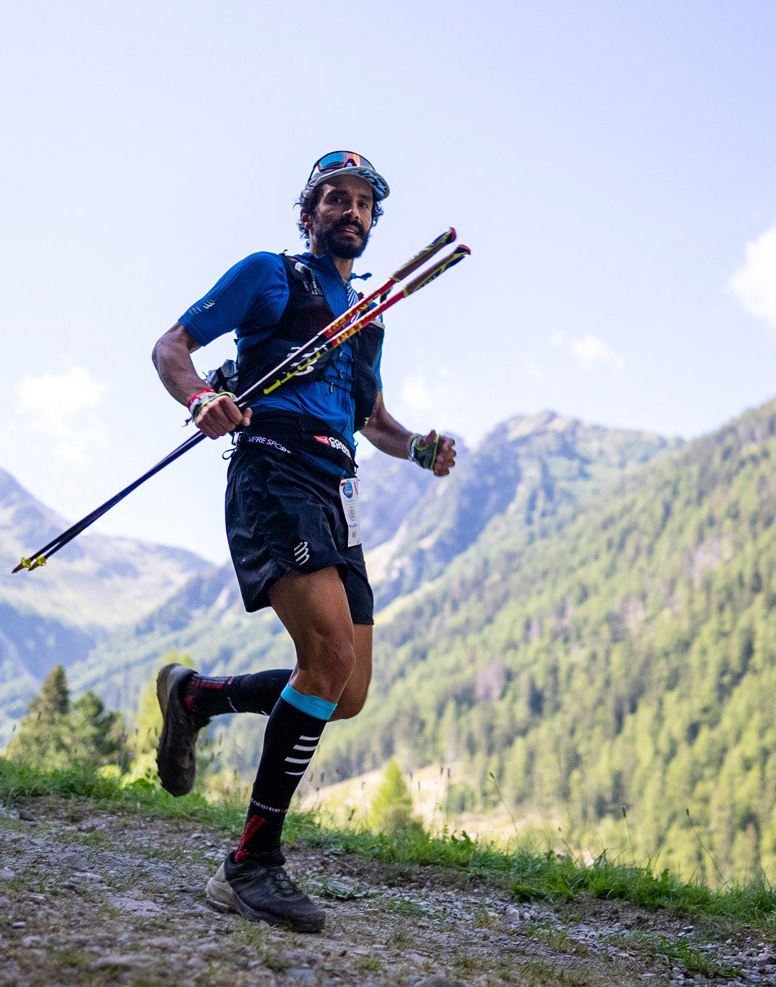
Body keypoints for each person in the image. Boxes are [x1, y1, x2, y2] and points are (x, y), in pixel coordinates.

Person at [149, 150, 457, 933]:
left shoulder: (369, 318)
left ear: (372, 222)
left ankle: (197, 697)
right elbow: (172, 347)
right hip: (273, 473)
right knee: (329, 662)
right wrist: (203, 399)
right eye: (334, 198)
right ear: (308, 211)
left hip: (337, 489)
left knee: (344, 691)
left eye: (362, 203)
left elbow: (373, 422)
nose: (349, 211)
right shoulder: (269, 274)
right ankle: (249, 864)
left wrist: (419, 446)